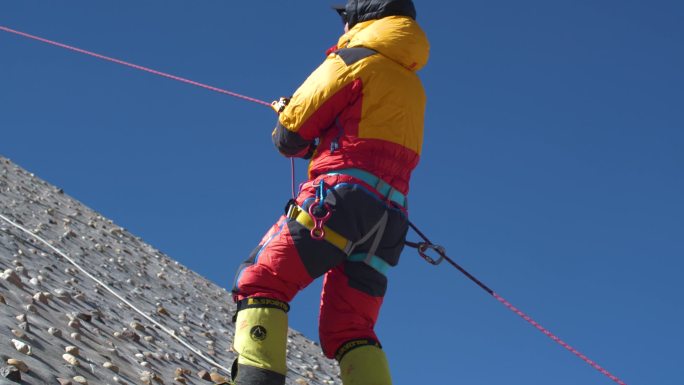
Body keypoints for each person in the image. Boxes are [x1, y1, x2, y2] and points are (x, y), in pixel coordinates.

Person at [230, 1, 429, 384]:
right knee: (351, 327)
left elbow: (291, 135)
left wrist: (287, 115)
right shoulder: (413, 85)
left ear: (361, 20)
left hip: (337, 201)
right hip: (390, 221)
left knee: (262, 280)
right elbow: (362, 146)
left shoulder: (352, 59)